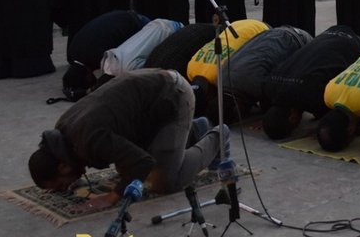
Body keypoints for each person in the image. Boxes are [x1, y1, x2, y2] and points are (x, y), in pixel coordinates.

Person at [28, 68, 226, 210]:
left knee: (165, 183)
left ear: (63, 166)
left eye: (62, 184)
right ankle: (194, 130)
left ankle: (217, 137)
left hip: (173, 96)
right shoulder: (63, 132)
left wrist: (112, 197)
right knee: (125, 169)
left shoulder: (90, 139)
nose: (66, 188)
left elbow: (143, 162)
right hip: (148, 104)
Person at [261, 25, 360, 140]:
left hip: (355, 44)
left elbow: (337, 119)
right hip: (327, 33)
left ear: (292, 118)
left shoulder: (313, 97)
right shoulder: (270, 86)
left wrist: (322, 128)